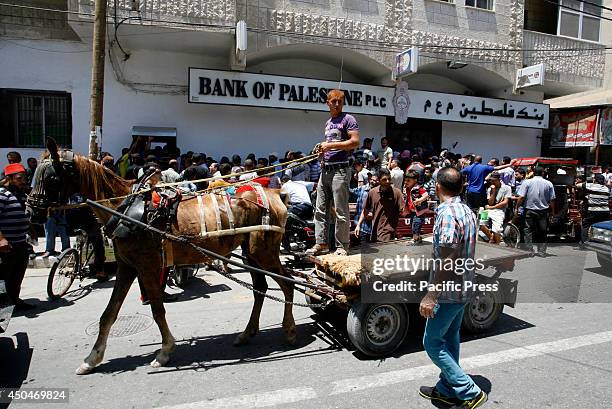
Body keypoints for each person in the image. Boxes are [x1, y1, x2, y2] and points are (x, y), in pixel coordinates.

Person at [418, 166, 487, 409]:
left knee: (432, 343)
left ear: (437, 186)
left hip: (449, 290)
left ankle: (469, 391)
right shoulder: (466, 210)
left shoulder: (447, 213)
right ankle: (447, 388)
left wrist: (431, 295)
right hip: (464, 286)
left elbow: (448, 257)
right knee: (449, 337)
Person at [306, 89, 360, 256]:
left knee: (340, 210)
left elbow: (355, 142)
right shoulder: (328, 122)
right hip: (326, 169)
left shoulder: (348, 119)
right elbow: (330, 145)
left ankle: (342, 246)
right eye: (334, 101)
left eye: (340, 101)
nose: (337, 104)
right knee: (320, 209)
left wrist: (329, 146)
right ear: (327, 102)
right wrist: (321, 152)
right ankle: (321, 243)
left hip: (341, 169)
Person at [0, 163, 35, 311]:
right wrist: (1, 239)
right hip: (6, 247)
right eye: (19, 178)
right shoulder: (2, 194)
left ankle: (14, 301)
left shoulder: (19, 194)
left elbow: (23, 214)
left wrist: (31, 228)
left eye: (24, 178)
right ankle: (2, 308)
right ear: (9, 178)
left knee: (17, 276)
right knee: (2, 278)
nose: (23, 181)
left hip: (21, 243)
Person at [515, 166, 556, 256]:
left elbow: (521, 197)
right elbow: (552, 200)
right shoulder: (549, 183)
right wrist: (553, 212)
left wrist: (516, 208)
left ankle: (529, 250)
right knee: (543, 231)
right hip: (543, 211)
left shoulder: (527, 182)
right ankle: (541, 251)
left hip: (529, 210)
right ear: (542, 173)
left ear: (533, 173)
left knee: (527, 230)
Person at [354, 168, 402, 243]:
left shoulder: (397, 193)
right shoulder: (372, 192)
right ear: (379, 180)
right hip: (374, 232)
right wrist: (358, 225)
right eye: (384, 179)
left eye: (389, 179)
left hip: (388, 232)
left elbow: (403, 211)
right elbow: (365, 209)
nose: (388, 182)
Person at [575, 174, 610, 246]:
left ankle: (584, 242)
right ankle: (602, 242)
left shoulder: (591, 186)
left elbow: (578, 185)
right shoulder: (606, 189)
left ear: (595, 180)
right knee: (602, 227)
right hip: (605, 211)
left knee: (585, 225)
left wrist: (588, 183)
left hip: (593, 210)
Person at [480, 172, 512, 244]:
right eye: (491, 180)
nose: (492, 182)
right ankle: (491, 237)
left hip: (499, 210)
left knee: (497, 230)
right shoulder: (490, 189)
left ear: (499, 179)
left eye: (494, 180)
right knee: (480, 223)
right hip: (488, 209)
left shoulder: (507, 188)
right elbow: (490, 202)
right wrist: (493, 191)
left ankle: (497, 243)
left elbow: (505, 202)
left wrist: (492, 207)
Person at [404, 170, 429, 244]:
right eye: (405, 180)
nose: (406, 182)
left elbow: (426, 195)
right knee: (413, 225)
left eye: (408, 180)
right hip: (412, 211)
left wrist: (420, 200)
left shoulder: (418, 188)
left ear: (415, 180)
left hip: (419, 212)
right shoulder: (407, 189)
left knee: (416, 225)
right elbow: (408, 199)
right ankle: (418, 238)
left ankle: (415, 239)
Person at [351, 173, 377, 244]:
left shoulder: (379, 192)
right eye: (371, 179)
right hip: (359, 226)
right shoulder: (362, 189)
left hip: (371, 229)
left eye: (375, 180)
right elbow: (350, 191)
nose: (372, 181)